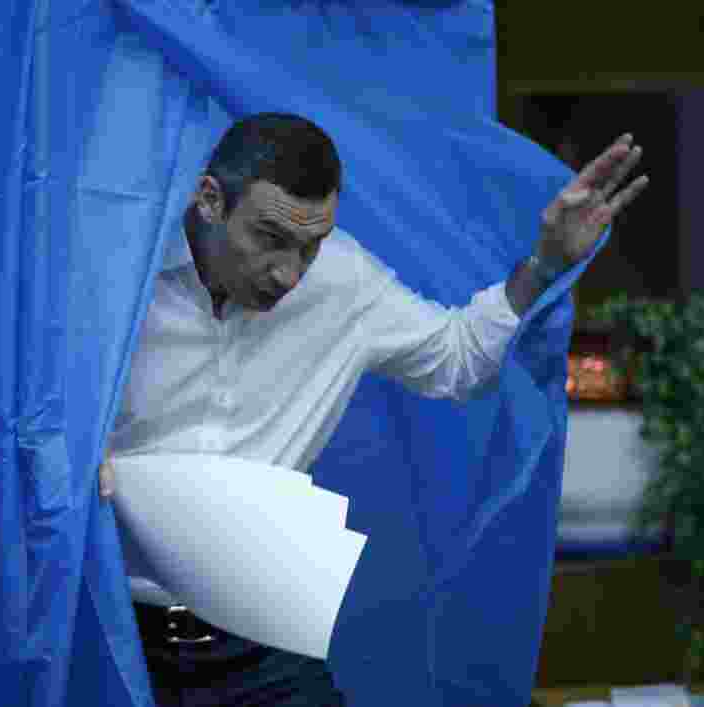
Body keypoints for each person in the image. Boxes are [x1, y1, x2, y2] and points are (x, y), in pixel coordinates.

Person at [98, 113, 648, 706]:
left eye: (311, 245)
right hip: (112, 634)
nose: (289, 273)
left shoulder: (341, 281)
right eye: (270, 237)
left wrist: (543, 262)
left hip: (259, 635)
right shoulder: (115, 276)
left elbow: (457, 359)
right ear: (210, 201)